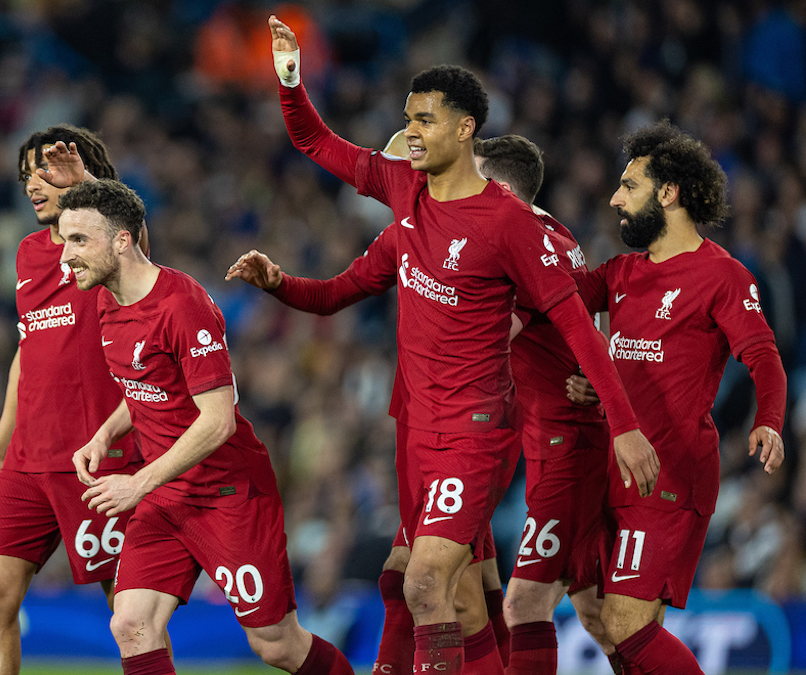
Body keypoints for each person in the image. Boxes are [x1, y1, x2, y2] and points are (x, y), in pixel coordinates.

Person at [268, 15, 658, 674]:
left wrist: (623, 422)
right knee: (452, 594)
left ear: (466, 134)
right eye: (407, 120)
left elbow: (572, 322)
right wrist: (289, 79)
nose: (410, 133)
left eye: (423, 120)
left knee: (434, 585)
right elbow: (315, 145)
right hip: (420, 425)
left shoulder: (517, 231)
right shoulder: (407, 199)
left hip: (485, 429)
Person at [227, 134, 613, 674]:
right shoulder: (534, 234)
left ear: (496, 188)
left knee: (475, 591)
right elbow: (342, 285)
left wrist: (613, 405)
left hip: (508, 432)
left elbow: (508, 329)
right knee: (446, 583)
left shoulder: (517, 239)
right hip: (476, 425)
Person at [59, 178, 355, 675]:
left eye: (79, 240)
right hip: (166, 493)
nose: (67, 255)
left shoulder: (183, 306)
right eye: (65, 240)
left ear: (122, 240)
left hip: (226, 492)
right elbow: (146, 388)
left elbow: (216, 422)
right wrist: (105, 434)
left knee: (277, 644)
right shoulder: (108, 301)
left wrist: (138, 481)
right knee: (130, 623)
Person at [570, 120, 786, 675]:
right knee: (609, 626)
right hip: (611, 471)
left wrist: (769, 420)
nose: (615, 197)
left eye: (630, 185)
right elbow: (556, 307)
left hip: (668, 476)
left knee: (624, 625)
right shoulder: (620, 273)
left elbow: (764, 358)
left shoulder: (723, 276)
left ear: (668, 193)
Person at [0, 125, 149, 675]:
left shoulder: (115, 247)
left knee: (129, 613)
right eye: (25, 175)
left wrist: (89, 187)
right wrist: (0, 449)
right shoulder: (26, 255)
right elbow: (28, 350)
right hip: (29, 459)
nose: (32, 184)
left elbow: (140, 243)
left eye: (44, 171)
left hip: (100, 458)